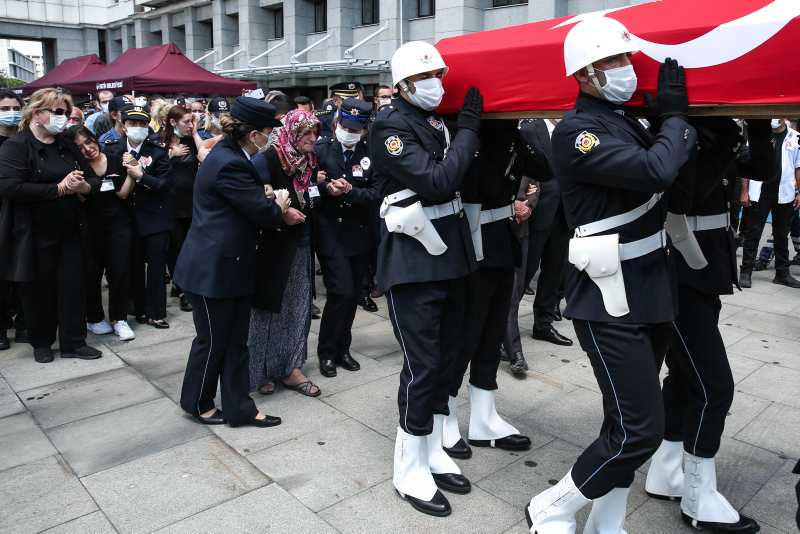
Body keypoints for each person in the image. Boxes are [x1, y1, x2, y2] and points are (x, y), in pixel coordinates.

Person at [524, 19, 697, 533]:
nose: (626, 70)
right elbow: (655, 172)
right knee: (641, 431)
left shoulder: (629, 121)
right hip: (608, 296)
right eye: (614, 62)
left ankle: (607, 521)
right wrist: (676, 118)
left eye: (626, 60)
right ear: (584, 74)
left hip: (651, 285)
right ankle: (552, 505)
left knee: (622, 421)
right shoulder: (580, 131)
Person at [645, 117, 775, 534]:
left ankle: (666, 471)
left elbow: (763, 173)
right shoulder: (683, 131)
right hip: (679, 272)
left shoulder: (716, 130)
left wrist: (756, 132)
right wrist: (725, 138)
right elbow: (689, 193)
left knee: (685, 377)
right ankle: (699, 497)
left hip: (706, 269)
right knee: (715, 386)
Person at [371, 41, 482, 517]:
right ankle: (407, 466)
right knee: (423, 365)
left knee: (448, 357)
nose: (437, 82)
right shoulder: (390, 125)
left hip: (450, 253)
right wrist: (470, 132)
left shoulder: (433, 120)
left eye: (440, 73)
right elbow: (436, 182)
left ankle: (433, 447)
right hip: (414, 259)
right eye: (426, 76)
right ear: (402, 86)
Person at [174, 97, 287, 427]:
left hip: (230, 264)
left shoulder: (231, 154)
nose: (272, 137)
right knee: (213, 341)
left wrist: (261, 198)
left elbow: (241, 203)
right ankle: (198, 403)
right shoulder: (230, 161)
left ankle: (239, 407)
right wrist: (277, 202)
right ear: (253, 134)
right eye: (269, 132)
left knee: (235, 340)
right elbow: (264, 214)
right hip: (213, 269)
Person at [442, 119, 540, 464]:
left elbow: (545, 167)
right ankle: (446, 414)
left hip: (502, 242)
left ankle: (484, 417)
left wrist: (516, 133)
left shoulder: (510, 134)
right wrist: (496, 137)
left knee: (492, 334)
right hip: (475, 244)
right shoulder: (471, 136)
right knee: (465, 336)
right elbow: (483, 184)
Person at [0, 88, 104, 363]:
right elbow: (11, 187)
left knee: (73, 286)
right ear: (37, 113)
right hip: (33, 233)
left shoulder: (66, 143)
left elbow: (94, 178)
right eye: (58, 112)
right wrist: (59, 189)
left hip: (70, 230)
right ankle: (41, 342)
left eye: (66, 113)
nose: (63, 118)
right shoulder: (16, 145)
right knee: (38, 290)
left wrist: (83, 186)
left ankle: (73, 341)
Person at [248, 109, 322, 398]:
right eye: (306, 132)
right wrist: (280, 212)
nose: (312, 138)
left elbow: (311, 193)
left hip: (302, 245)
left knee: (296, 309)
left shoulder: (309, 161)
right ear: (291, 131)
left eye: (316, 132)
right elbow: (252, 199)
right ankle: (259, 370)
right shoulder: (266, 159)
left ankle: (291, 368)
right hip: (272, 247)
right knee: (265, 310)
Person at [313, 99, 380, 378]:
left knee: (352, 295)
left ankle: (343, 349)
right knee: (339, 292)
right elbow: (307, 189)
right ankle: (326, 351)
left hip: (360, 232)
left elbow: (376, 194)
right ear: (336, 123)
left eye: (355, 129)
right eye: (344, 126)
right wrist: (326, 187)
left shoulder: (371, 153)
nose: (348, 132)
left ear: (364, 129)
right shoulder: (321, 150)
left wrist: (349, 192)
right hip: (331, 232)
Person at [64, 126, 136, 342]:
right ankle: (94, 318)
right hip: (90, 229)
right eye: (80, 146)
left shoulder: (114, 159)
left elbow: (123, 193)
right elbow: (82, 198)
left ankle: (120, 319)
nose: (87, 148)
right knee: (92, 275)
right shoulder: (77, 167)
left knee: (120, 273)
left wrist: (132, 170)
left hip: (118, 225)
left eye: (89, 141)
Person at [104, 105, 173, 329]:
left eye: (143, 124)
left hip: (155, 217)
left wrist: (142, 176)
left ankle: (157, 312)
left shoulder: (157, 149)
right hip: (125, 218)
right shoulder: (112, 149)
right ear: (123, 126)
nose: (138, 128)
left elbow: (164, 184)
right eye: (133, 124)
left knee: (155, 266)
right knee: (132, 266)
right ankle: (140, 309)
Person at [520, 118, 574, 347]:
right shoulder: (531, 128)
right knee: (525, 271)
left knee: (554, 271)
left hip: (566, 212)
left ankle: (543, 324)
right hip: (536, 210)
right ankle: (503, 328)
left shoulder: (575, 127)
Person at [739, 118, 800, 289]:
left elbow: (798, 167)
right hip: (761, 192)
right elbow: (745, 163)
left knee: (782, 234)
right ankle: (746, 271)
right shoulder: (759, 135)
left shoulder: (795, 137)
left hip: (784, 193)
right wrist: (745, 191)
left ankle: (782, 273)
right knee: (753, 233)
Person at [162, 105, 202, 313]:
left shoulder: (190, 140)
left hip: (191, 202)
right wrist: (170, 153)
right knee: (176, 247)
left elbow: (204, 157)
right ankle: (181, 289)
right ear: (172, 122)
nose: (190, 125)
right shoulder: (159, 141)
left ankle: (188, 282)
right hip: (171, 203)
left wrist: (195, 134)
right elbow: (151, 166)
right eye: (186, 121)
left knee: (191, 245)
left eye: (191, 121)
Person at [501, 159, 540, 374]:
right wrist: (513, 204)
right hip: (495, 231)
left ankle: (504, 342)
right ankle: (515, 351)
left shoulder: (523, 153)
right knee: (509, 293)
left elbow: (535, 188)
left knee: (515, 291)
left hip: (521, 231)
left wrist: (527, 205)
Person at [0, 88, 25, 351]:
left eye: (14, 108)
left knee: (22, 274)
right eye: (4, 109)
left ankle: (24, 324)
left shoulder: (23, 142)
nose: (11, 114)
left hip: (21, 216)